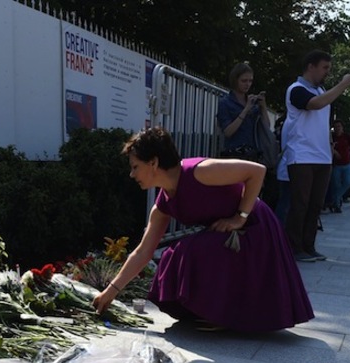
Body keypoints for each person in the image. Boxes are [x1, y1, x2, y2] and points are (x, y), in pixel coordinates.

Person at [92, 127, 314, 333]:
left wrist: (240, 217)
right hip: (228, 236)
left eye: (135, 167)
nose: (132, 175)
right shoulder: (162, 205)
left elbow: (257, 171)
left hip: (255, 228)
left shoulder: (199, 171)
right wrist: (110, 293)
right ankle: (209, 312)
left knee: (194, 249)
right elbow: (143, 251)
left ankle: (222, 314)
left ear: (153, 162)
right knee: (174, 254)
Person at [279, 50, 350, 262]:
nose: (327, 72)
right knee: (300, 204)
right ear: (311, 66)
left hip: (322, 157)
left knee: (315, 205)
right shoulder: (296, 89)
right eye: (325, 67)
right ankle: (294, 247)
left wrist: (329, 146)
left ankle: (308, 246)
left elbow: (322, 117)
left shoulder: (321, 90)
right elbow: (315, 104)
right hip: (302, 155)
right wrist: (343, 85)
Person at [217, 62, 272, 159]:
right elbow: (228, 132)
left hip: (253, 153)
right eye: (244, 81)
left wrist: (263, 107)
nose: (248, 84)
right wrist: (246, 110)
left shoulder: (253, 103)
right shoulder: (225, 103)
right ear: (235, 80)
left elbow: (266, 127)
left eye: (250, 81)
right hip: (234, 154)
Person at [326, 119, 350, 212]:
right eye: (336, 127)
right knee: (336, 185)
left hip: (347, 164)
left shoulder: (347, 137)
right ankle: (336, 205)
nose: (337, 128)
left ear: (342, 127)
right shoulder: (332, 137)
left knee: (348, 182)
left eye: (339, 126)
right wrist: (334, 152)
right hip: (336, 165)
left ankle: (335, 198)